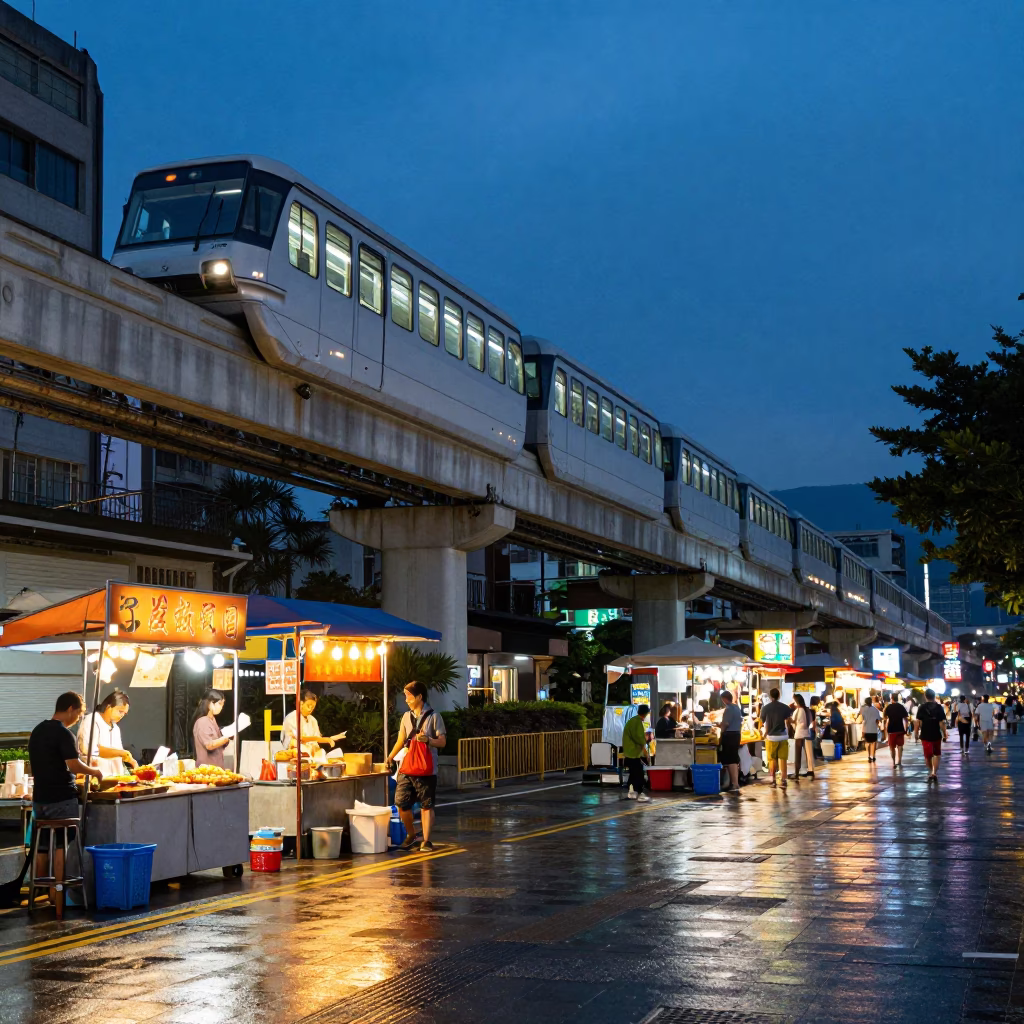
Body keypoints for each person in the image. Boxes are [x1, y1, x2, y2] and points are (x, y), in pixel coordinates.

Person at [27, 692, 103, 907]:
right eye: (79, 713)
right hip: (61, 799)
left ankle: (43, 895)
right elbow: (74, 765)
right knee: (61, 844)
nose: (78, 718)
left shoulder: (38, 731)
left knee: (42, 846)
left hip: (40, 800)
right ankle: (59, 893)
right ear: (70, 708)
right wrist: (95, 772)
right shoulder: (63, 733)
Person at [387, 681, 447, 851]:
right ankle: (411, 834)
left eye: (409, 696)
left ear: (419, 697)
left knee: (426, 805)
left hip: (426, 768)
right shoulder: (406, 716)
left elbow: (442, 741)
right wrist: (390, 756)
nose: (406, 700)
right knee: (401, 803)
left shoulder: (435, 717)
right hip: (407, 766)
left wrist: (428, 740)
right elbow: (401, 739)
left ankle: (426, 840)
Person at [76, 690, 136, 777]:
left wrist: (131, 761)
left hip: (116, 779)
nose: (121, 716)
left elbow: (119, 753)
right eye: (120, 711)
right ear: (108, 707)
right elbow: (88, 750)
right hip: (96, 779)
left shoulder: (116, 728)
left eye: (124, 714)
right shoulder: (91, 721)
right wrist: (121, 753)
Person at [282, 690, 345, 762]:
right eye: (308, 706)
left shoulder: (313, 720)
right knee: (301, 749)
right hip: (296, 754)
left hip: (313, 753)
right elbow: (300, 738)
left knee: (331, 754)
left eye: (313, 707)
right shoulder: (291, 718)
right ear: (301, 704)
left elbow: (317, 738)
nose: (310, 709)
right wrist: (325, 739)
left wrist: (331, 738)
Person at [759, 687, 792, 789]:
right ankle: (783, 779)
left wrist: (762, 733)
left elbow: (761, 721)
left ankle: (773, 780)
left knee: (772, 758)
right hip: (783, 736)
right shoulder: (785, 707)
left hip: (771, 737)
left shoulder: (765, 708)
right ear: (779, 695)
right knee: (783, 758)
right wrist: (788, 731)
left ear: (770, 696)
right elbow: (789, 721)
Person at [192, 689, 232, 768]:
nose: (221, 707)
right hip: (206, 770)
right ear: (210, 703)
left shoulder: (212, 720)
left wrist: (226, 739)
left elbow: (219, 743)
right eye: (219, 704)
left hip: (217, 767)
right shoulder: (202, 721)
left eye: (222, 704)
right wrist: (225, 739)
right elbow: (209, 745)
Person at [915, 688, 948, 783]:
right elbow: (942, 723)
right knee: (937, 754)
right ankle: (934, 772)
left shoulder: (921, 707)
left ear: (925, 696)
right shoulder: (939, 707)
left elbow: (918, 721)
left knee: (927, 756)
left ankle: (931, 771)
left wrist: (916, 734)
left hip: (925, 734)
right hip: (936, 733)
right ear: (934, 696)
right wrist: (945, 733)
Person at [620, 704, 651, 802]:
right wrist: (646, 750)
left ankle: (632, 792)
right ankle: (639, 792)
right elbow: (639, 738)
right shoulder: (636, 722)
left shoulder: (633, 721)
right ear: (646, 713)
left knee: (634, 773)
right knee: (638, 773)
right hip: (633, 753)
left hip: (630, 752)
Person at [718, 691, 743, 793]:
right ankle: (734, 783)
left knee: (730, 760)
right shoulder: (736, 707)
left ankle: (734, 784)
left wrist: (721, 729)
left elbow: (726, 723)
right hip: (736, 734)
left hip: (729, 735)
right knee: (733, 759)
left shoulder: (728, 709)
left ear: (724, 699)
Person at [790, 693, 815, 781]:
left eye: (794, 701)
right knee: (808, 753)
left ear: (797, 701)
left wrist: (788, 719)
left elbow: (793, 721)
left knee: (798, 754)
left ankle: (796, 773)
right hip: (806, 733)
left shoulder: (798, 710)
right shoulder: (806, 710)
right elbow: (808, 722)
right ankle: (811, 771)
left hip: (799, 734)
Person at [883, 692, 910, 767]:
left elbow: (885, 718)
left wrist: (885, 729)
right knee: (900, 746)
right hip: (900, 729)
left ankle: (893, 762)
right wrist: (906, 728)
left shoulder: (888, 707)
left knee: (892, 747)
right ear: (897, 698)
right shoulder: (901, 707)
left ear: (891, 698)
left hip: (891, 730)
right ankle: (899, 761)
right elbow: (906, 719)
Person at [858, 696, 882, 763]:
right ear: (871, 702)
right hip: (874, 728)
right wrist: (878, 726)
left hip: (866, 728)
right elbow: (878, 720)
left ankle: (869, 756)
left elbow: (862, 718)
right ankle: (873, 756)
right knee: (873, 743)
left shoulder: (864, 710)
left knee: (868, 743)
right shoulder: (875, 710)